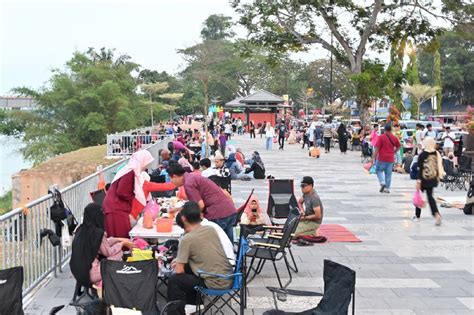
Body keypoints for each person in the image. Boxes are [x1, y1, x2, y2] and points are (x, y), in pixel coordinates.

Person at [167, 202, 233, 315]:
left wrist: (180, 262)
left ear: (183, 218)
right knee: (188, 265)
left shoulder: (187, 239)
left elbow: (179, 271)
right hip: (228, 277)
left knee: (175, 281)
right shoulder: (210, 229)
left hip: (214, 282)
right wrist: (183, 261)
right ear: (200, 216)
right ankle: (193, 303)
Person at [102, 151, 174, 238]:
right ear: (142, 161)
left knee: (119, 233)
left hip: (116, 206)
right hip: (116, 207)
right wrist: (133, 197)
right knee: (121, 234)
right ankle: (122, 251)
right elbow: (121, 191)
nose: (146, 166)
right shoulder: (130, 172)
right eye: (146, 163)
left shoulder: (130, 171)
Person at [70, 203, 134, 288]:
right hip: (90, 274)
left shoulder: (81, 230)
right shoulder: (97, 233)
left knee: (111, 253)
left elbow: (102, 243)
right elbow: (109, 252)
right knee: (118, 254)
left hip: (77, 272)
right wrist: (122, 244)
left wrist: (118, 239)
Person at [168, 164, 237, 242]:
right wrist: (177, 209)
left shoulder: (188, 183)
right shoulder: (192, 177)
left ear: (174, 176)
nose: (171, 181)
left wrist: (189, 221)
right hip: (229, 210)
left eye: (170, 178)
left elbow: (200, 205)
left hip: (218, 214)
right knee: (227, 245)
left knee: (213, 245)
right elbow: (194, 204)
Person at [414, 137, 445, 225]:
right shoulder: (436, 153)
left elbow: (420, 169)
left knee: (418, 196)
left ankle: (417, 215)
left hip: (423, 178)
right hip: (433, 178)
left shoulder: (423, 154)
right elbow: (439, 165)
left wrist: (418, 181)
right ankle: (436, 214)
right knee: (430, 197)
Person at [373, 124, 401, 194]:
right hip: (390, 158)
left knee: (378, 170)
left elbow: (377, 148)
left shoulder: (381, 137)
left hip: (382, 158)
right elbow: (399, 146)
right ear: (391, 130)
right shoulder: (394, 138)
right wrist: (394, 152)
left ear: (384, 130)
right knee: (388, 174)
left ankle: (382, 182)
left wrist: (373, 157)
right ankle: (387, 188)